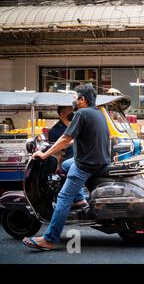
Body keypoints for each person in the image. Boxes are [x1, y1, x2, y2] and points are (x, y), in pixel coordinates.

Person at [23, 84, 111, 251]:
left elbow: (65, 138)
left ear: (82, 99)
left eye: (74, 97)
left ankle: (49, 239)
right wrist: (65, 143)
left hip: (86, 165)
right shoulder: (97, 113)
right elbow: (75, 137)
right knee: (65, 164)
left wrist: (45, 154)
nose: (73, 101)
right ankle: (79, 199)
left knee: (63, 198)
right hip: (100, 160)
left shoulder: (82, 113)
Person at [48, 106, 86, 209]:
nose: (72, 113)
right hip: (66, 158)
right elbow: (57, 149)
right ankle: (79, 199)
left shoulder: (76, 125)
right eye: (70, 111)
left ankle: (80, 198)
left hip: (80, 156)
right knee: (69, 166)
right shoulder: (55, 131)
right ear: (62, 114)